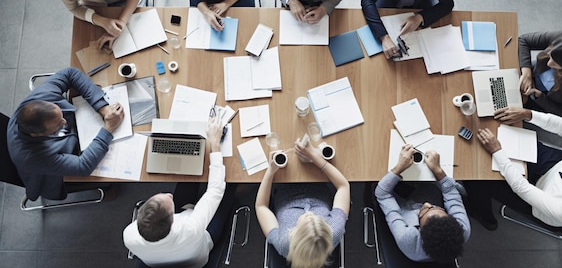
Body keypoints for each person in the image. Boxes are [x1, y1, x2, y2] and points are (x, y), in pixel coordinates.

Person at [466, 107, 562, 230]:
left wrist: (497, 151)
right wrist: (529, 114)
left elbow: (522, 188)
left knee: (478, 179)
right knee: (509, 133)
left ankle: (485, 217)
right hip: (552, 166)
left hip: (539, 198)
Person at [123, 117, 231, 267]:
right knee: (228, 187)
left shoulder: (129, 235)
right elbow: (216, 189)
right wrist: (214, 144)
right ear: (173, 219)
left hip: (166, 253)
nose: (169, 195)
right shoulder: (190, 228)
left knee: (189, 174)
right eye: (169, 202)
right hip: (202, 242)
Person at [6, 68, 125, 201]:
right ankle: (106, 188)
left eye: (61, 116)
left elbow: (70, 73)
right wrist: (109, 128)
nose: (64, 121)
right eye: (58, 125)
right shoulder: (31, 157)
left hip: (78, 133)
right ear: (37, 134)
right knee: (114, 171)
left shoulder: (41, 97)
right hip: (55, 174)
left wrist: (103, 108)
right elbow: (83, 167)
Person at [255, 138, 350, 268]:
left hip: (283, 183)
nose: (309, 212)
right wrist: (315, 157)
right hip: (318, 178)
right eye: (317, 218)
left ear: (295, 233)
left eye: (306, 218)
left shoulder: (283, 243)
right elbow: (343, 186)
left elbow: (261, 206)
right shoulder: (333, 230)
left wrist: (270, 171)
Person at [376, 146, 469, 263]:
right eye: (436, 208)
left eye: (426, 210)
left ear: (419, 230)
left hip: (404, 211)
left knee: (378, 182)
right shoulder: (462, 228)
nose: (427, 204)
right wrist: (437, 170)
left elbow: (383, 195)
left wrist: (399, 168)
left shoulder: (408, 238)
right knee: (430, 188)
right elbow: (450, 191)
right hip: (421, 203)